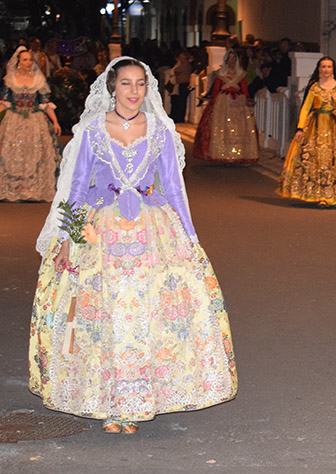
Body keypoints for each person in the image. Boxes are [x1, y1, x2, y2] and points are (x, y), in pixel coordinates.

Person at [29, 57, 238, 435]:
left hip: (151, 230)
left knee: (146, 312)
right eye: (126, 83)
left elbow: (173, 188)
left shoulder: (161, 131)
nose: (134, 91)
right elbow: (76, 188)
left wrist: (190, 238)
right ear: (112, 87)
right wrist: (68, 238)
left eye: (140, 83)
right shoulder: (93, 130)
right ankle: (110, 403)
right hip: (100, 230)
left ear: (148, 88)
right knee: (103, 313)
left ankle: (141, 397)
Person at [277, 56, 336, 205]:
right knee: (312, 160)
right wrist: (300, 128)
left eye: (329, 67)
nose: (326, 70)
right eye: (323, 67)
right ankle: (315, 192)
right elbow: (305, 108)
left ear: (333, 69)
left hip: (335, 129)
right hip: (314, 127)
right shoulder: (314, 87)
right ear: (319, 69)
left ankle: (332, 193)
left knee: (334, 161)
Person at [0, 46, 62, 201]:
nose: (28, 62)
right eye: (25, 60)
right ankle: (15, 187)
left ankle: (31, 188)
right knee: (12, 153)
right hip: (13, 120)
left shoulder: (39, 80)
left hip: (35, 120)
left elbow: (45, 103)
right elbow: (4, 102)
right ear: (18, 62)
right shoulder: (9, 80)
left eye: (30, 60)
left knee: (34, 153)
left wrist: (55, 121)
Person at [193, 50, 259, 163]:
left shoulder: (241, 74)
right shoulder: (221, 74)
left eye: (234, 58)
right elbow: (216, 90)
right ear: (226, 60)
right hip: (223, 102)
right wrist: (212, 104)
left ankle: (238, 154)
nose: (232, 61)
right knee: (221, 126)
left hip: (238, 102)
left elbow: (244, 90)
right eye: (230, 58)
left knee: (239, 128)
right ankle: (222, 153)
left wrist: (245, 99)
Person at [168, 50, 192, 123]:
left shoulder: (186, 64)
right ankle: (179, 117)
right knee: (180, 101)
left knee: (182, 101)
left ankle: (180, 118)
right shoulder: (183, 63)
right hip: (181, 83)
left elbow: (177, 70)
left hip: (184, 83)